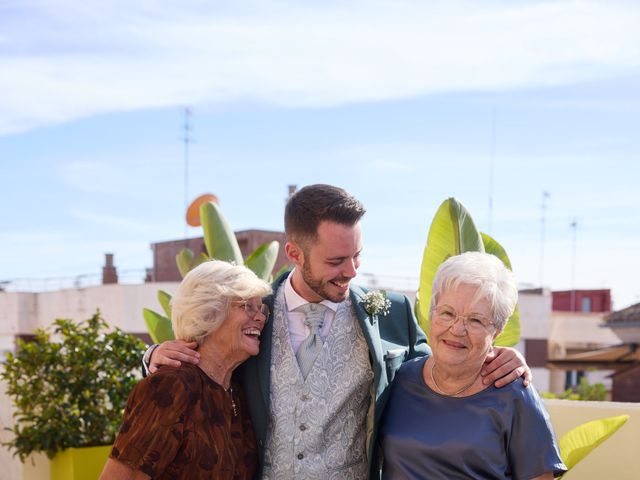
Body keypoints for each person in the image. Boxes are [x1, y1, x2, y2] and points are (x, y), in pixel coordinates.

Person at [146, 184, 532, 479]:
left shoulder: (390, 314)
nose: (351, 271)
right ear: (294, 253)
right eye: (336, 260)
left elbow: (440, 374)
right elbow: (204, 364)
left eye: (357, 256)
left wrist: (499, 355)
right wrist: (153, 356)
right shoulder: (251, 315)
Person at [380, 252, 567, 479]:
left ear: (497, 330)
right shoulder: (400, 379)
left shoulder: (513, 394)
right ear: (432, 313)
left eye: (476, 320)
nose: (457, 329)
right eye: (448, 313)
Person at [100, 260, 271, 480]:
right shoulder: (171, 387)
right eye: (247, 306)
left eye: (261, 308)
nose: (260, 317)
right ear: (209, 313)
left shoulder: (235, 389)